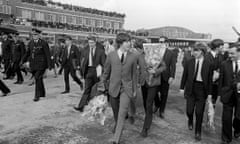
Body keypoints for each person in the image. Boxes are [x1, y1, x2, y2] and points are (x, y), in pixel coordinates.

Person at [101, 33, 138, 144]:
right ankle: (118, 125)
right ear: (121, 43)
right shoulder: (111, 55)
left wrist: (134, 90)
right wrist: (102, 84)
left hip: (126, 89)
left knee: (122, 113)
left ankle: (116, 139)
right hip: (113, 88)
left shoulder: (133, 56)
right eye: (127, 41)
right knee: (116, 113)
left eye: (130, 41)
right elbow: (106, 72)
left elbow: (134, 75)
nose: (129, 43)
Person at [180, 43, 213, 141]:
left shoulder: (208, 63)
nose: (194, 52)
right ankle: (190, 120)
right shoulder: (189, 62)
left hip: (202, 89)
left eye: (196, 50)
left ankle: (198, 132)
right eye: (194, 50)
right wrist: (182, 88)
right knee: (189, 111)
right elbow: (184, 75)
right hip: (191, 88)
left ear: (202, 52)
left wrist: (210, 94)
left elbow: (210, 80)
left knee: (199, 112)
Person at [74, 34, 106, 112]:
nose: (90, 44)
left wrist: (103, 74)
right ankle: (81, 106)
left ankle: (98, 107)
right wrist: (79, 70)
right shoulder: (85, 50)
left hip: (98, 72)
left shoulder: (101, 51)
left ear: (95, 42)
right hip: (88, 71)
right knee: (87, 89)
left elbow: (104, 63)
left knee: (98, 91)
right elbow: (82, 61)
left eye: (92, 42)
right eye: (89, 42)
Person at [219, 43, 240, 144]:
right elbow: (221, 81)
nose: (229, 56)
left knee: (238, 117)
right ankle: (226, 137)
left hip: (239, 96)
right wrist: (220, 94)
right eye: (229, 53)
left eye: (232, 53)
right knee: (226, 117)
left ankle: (237, 129)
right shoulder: (224, 64)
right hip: (227, 95)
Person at [22, 28, 51, 102]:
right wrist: (22, 60)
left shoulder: (43, 43)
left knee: (37, 78)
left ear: (39, 35)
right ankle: (42, 93)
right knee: (39, 79)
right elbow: (28, 53)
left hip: (42, 64)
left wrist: (49, 65)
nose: (34, 36)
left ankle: (37, 96)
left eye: (35, 34)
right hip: (33, 64)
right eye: (33, 35)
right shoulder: (31, 43)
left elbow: (47, 54)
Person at [154, 36, 176, 119]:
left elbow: (173, 66)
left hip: (165, 77)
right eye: (159, 41)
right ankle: (157, 104)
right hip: (156, 75)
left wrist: (172, 76)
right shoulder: (155, 51)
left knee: (164, 94)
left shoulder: (171, 53)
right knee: (154, 92)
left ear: (166, 43)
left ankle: (161, 110)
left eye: (162, 42)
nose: (160, 43)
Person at [205, 39, 224, 106]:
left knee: (213, 103)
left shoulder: (221, 56)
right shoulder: (206, 56)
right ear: (217, 47)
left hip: (216, 84)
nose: (223, 48)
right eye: (222, 47)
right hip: (207, 83)